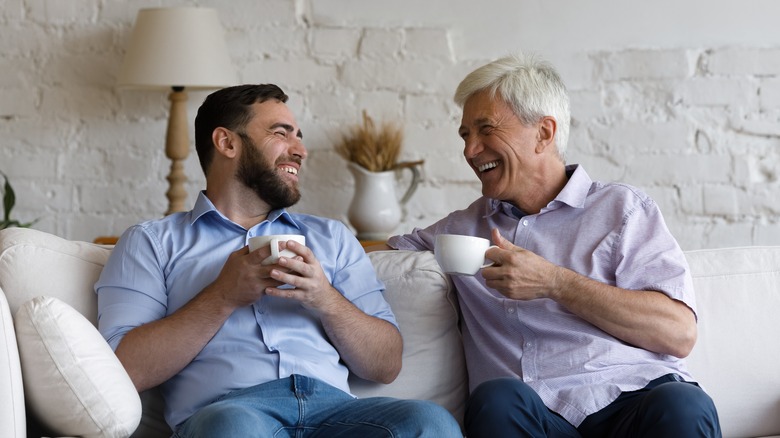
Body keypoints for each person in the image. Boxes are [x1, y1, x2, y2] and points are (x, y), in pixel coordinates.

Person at [373, 53, 722, 437]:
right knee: (497, 399)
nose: (470, 150)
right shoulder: (463, 230)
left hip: (634, 403)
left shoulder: (622, 210)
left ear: (543, 133)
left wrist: (555, 282)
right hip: (532, 415)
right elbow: (371, 252)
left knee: (683, 404)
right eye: (465, 135)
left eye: (485, 130)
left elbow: (678, 333)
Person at [95, 84, 461, 438]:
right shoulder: (152, 242)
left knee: (429, 422)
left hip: (335, 414)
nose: (300, 150)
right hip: (231, 412)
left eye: (298, 136)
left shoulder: (331, 238)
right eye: (281, 133)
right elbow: (123, 368)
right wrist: (223, 295)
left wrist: (326, 298)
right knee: (234, 428)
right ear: (227, 142)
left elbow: (386, 365)